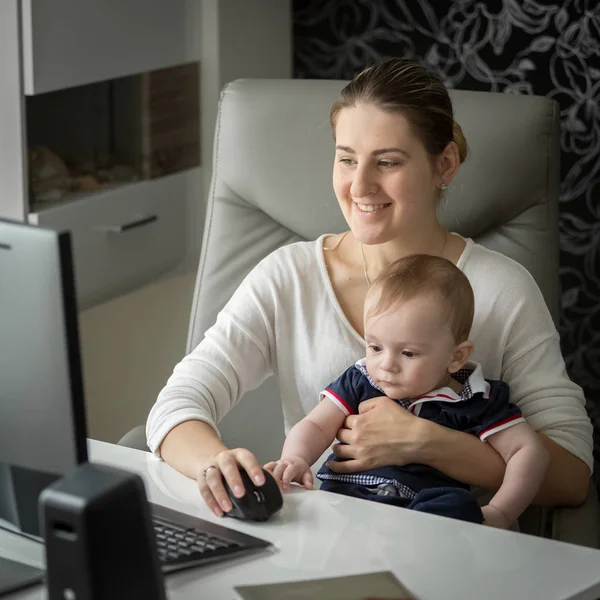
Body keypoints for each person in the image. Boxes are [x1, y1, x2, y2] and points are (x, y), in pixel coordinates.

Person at [146, 58, 592, 520]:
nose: (359, 185)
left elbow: (572, 474)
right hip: (320, 542)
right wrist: (216, 466)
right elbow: (177, 404)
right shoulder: (289, 276)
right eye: (346, 159)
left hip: (451, 549)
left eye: (387, 162)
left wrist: (429, 442)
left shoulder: (502, 289)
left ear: (445, 164)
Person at [264, 254, 550, 529]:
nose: (386, 364)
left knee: (457, 507)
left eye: (409, 353)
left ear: (456, 357)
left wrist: (501, 511)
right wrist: (296, 458)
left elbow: (528, 451)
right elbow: (315, 424)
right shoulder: (361, 380)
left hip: (423, 514)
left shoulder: (476, 398)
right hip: (346, 501)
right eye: (375, 347)